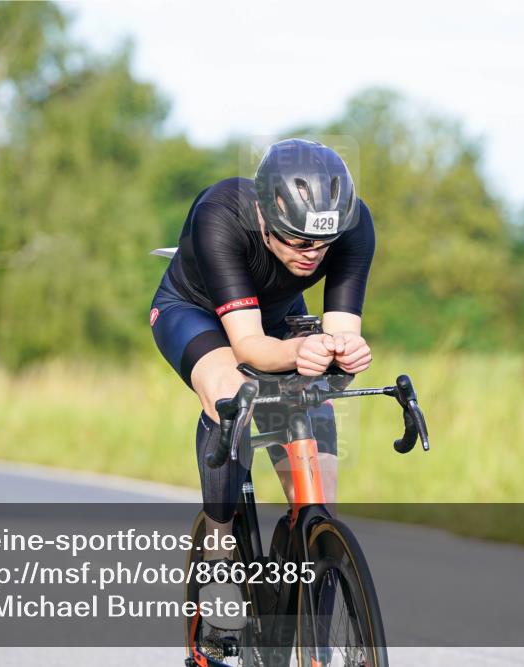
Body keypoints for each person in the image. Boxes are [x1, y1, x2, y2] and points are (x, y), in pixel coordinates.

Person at [149, 138, 376, 630]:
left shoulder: (354, 226)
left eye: (323, 244)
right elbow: (250, 348)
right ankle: (219, 545)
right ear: (264, 218)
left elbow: (341, 331)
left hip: (276, 318)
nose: (313, 255)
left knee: (320, 494)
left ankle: (308, 613)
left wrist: (345, 354)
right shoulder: (221, 214)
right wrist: (299, 352)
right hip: (195, 314)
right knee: (231, 393)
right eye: (298, 241)